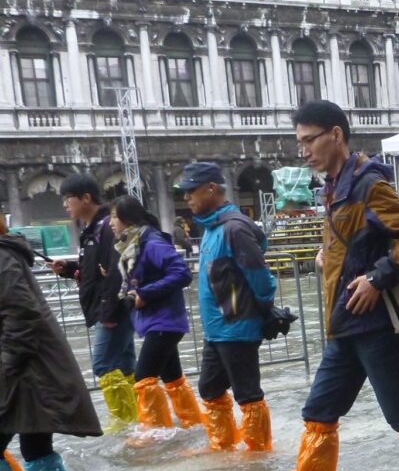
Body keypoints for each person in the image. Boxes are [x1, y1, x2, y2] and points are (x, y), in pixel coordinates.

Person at [271, 100, 399, 471]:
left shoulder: (369, 184)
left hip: (373, 326)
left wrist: (376, 277)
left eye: (309, 140)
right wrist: (328, 256)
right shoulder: (335, 188)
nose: (304, 151)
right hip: (343, 324)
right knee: (318, 411)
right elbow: (355, 240)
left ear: (336, 135)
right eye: (299, 142)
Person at [1, 218, 102, 471]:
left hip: (28, 372)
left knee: (36, 444)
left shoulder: (2, 258)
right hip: (29, 370)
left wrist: (5, 366)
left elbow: (22, 314)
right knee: (36, 446)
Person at [180, 163, 277, 452]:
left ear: (211, 188)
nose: (187, 198)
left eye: (190, 191)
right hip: (216, 330)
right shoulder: (212, 228)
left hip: (237, 327)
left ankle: (258, 449)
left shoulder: (234, 229)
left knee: (247, 393)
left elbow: (260, 278)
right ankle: (222, 444)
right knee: (209, 388)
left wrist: (262, 311)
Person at [51, 174, 137, 429]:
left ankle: (123, 422)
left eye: (68, 199)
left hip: (111, 309)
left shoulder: (106, 229)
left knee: (103, 364)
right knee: (123, 364)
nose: (65, 205)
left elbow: (115, 272)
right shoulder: (91, 231)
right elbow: (95, 269)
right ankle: (136, 419)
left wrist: (108, 313)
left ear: (86, 198)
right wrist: (69, 268)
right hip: (109, 307)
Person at [111, 196, 202, 431]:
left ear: (126, 219)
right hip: (157, 321)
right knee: (172, 378)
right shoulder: (133, 244)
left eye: (113, 217)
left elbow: (182, 273)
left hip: (164, 321)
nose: (110, 223)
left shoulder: (151, 242)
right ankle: (193, 424)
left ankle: (155, 433)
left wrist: (145, 293)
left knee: (144, 379)